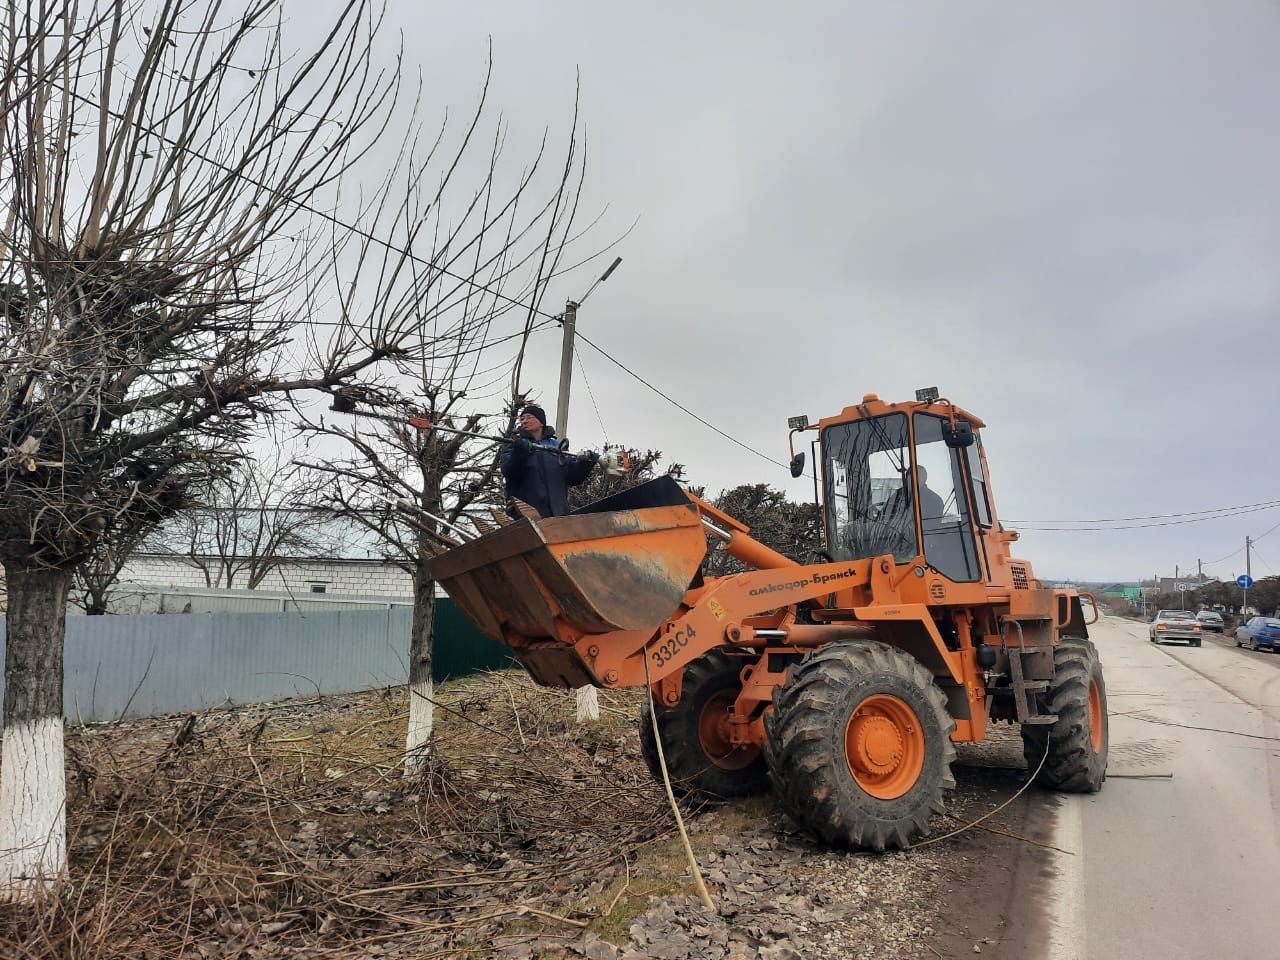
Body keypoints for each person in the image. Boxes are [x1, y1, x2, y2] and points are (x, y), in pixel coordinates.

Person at [499, 404, 598, 518]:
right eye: (522, 419)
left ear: (541, 422)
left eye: (529, 417)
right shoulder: (512, 445)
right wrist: (520, 452)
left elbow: (573, 478)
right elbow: (508, 471)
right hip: (525, 515)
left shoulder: (558, 447)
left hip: (558, 516)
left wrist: (587, 463)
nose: (524, 421)